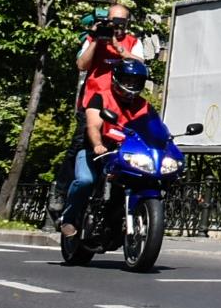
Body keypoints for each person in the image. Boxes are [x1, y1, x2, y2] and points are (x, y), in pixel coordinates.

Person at [61, 57, 154, 239]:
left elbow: (155, 129)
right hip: (94, 152)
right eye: (128, 79)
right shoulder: (100, 97)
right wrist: (97, 145)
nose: (131, 84)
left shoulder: (144, 106)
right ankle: (68, 218)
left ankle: (121, 219)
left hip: (126, 155)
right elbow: (93, 126)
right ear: (117, 78)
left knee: (142, 179)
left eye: (136, 81)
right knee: (86, 181)